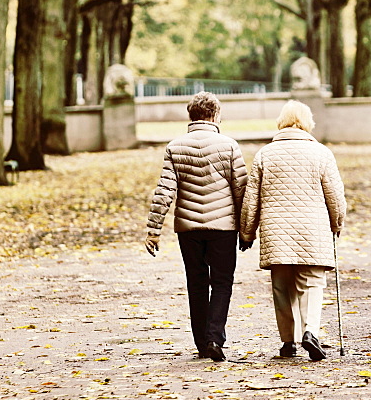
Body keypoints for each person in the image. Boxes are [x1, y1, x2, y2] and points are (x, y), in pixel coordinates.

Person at [239, 99, 346, 361]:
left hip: (277, 233)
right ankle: (310, 331)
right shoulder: (322, 153)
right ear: (307, 123)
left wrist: (247, 232)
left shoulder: (265, 154)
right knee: (311, 283)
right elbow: (335, 196)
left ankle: (288, 341)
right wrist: (337, 222)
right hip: (313, 231)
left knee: (282, 288)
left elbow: (251, 198)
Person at [145, 91, 248, 362]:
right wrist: (247, 229)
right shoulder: (229, 146)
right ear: (215, 115)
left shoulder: (175, 147)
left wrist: (154, 230)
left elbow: (165, 191)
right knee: (222, 282)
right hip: (223, 228)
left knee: (197, 283)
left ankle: (202, 344)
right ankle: (216, 337)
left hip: (188, 229)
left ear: (191, 115)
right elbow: (242, 191)